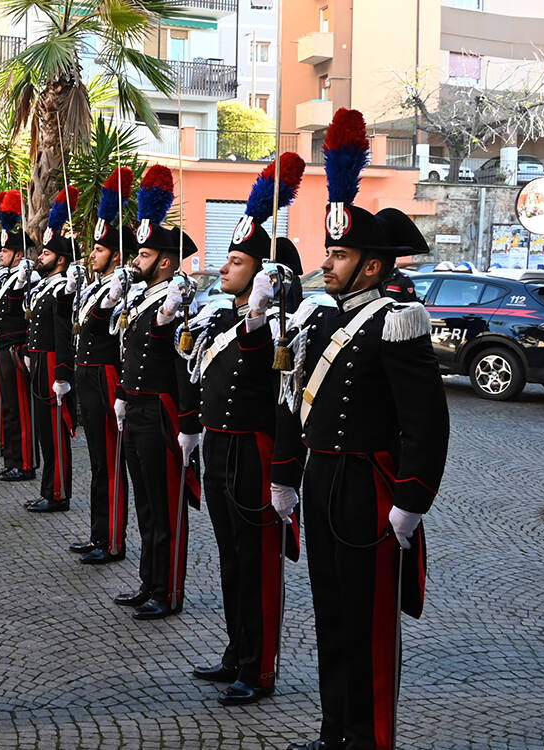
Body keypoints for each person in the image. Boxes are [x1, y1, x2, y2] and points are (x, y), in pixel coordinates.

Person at [274, 109, 449, 750]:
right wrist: (286, 476)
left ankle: (370, 737)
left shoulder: (399, 322)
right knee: (330, 615)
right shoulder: (319, 323)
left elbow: (426, 422)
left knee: (369, 626)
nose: (327, 264)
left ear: (371, 267)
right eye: (328, 252)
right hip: (322, 483)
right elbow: (295, 405)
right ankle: (333, 732)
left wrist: (410, 501)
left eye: (339, 255)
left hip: (368, 489)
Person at [183, 154, 306, 707]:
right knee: (231, 556)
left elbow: (281, 401)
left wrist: (284, 474)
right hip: (220, 449)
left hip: (255, 452)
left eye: (236, 261)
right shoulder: (220, 317)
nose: (225, 268)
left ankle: (260, 668)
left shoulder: (281, 326)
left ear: (262, 273)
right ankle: (237, 651)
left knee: (257, 564)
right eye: (229, 259)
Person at [110, 164, 201, 620]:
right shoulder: (141, 297)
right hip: (137, 407)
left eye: (143, 255)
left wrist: (188, 423)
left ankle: (168, 590)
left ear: (165, 260)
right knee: (144, 500)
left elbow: (186, 366)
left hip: (163, 412)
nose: (134, 261)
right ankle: (148, 582)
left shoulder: (178, 298)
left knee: (166, 507)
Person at [69, 171, 130, 564]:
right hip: (85, 373)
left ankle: (113, 540)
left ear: (116, 255)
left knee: (109, 460)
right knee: (95, 460)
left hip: (106, 375)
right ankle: (98, 533)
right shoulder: (94, 284)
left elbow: (102, 326)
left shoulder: (122, 288)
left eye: (99, 250)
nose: (91, 254)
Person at [23, 192, 76, 513]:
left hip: (54, 362)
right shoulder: (43, 286)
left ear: (60, 259)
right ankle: (47, 489)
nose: (39, 258)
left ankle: (58, 493)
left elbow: (63, 335)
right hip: (39, 360)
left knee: (56, 432)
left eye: (45, 254)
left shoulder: (62, 288)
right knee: (44, 429)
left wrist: (62, 375)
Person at [0, 192, 39, 482]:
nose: (0, 255)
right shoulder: (5, 276)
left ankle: (26, 463)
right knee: (8, 408)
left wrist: (22, 279)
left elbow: (27, 311)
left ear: (19, 255)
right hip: (1, 346)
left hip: (15, 349)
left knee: (20, 409)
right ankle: (12, 459)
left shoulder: (28, 278)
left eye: (6, 252)